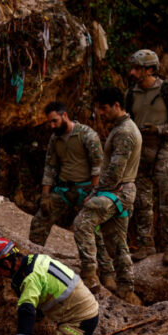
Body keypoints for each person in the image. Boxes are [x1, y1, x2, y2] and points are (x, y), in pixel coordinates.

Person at [28, 102, 116, 291]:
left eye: (54, 121)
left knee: (93, 230)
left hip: (86, 189)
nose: (51, 125)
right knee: (39, 221)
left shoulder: (87, 135)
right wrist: (45, 196)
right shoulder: (55, 139)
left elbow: (97, 166)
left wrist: (93, 194)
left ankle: (100, 274)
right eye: (49, 122)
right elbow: (50, 167)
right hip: (64, 190)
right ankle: (33, 261)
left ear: (65, 115)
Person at [72, 87, 141, 302]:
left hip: (117, 192)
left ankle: (90, 276)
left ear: (117, 106)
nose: (100, 114)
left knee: (82, 223)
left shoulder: (124, 133)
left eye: (103, 109)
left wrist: (95, 193)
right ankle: (126, 290)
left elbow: (114, 171)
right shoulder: (122, 128)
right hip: (122, 191)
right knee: (117, 240)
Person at [0, 238, 100, 335]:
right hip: (85, 310)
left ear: (6, 263)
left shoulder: (30, 279)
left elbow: (27, 311)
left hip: (78, 324)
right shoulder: (37, 259)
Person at [125, 49, 168, 266]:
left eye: (137, 68)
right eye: (132, 68)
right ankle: (146, 244)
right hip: (140, 152)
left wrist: (161, 129)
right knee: (142, 201)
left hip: (163, 150)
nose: (133, 72)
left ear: (150, 69)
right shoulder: (131, 94)